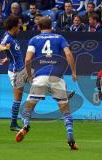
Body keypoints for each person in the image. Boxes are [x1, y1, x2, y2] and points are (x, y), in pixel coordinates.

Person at [15, 16, 78, 150]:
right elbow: (69, 54)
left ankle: (26, 125)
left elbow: (27, 60)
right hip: (57, 77)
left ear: (39, 27)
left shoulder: (34, 40)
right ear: (52, 26)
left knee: (28, 107)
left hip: (40, 77)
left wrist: (30, 75)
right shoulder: (59, 38)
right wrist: (73, 71)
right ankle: (70, 137)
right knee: (66, 110)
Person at [0, 16, 27, 132]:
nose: (20, 29)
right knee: (17, 98)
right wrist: (4, 47)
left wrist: (7, 58)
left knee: (38, 81)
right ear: (13, 27)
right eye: (18, 27)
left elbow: (12, 53)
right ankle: (14, 123)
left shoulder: (12, 37)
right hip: (16, 72)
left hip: (20, 69)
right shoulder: (8, 38)